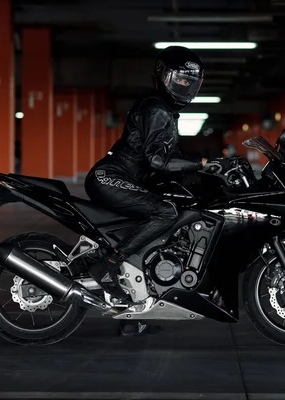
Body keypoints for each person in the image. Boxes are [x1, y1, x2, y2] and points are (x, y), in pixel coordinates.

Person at [84, 45, 231, 336]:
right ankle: (108, 264)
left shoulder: (164, 110)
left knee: (163, 228)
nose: (186, 87)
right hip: (110, 177)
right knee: (165, 212)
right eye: (181, 80)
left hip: (124, 179)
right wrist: (202, 164)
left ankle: (133, 314)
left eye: (191, 82)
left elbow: (167, 161)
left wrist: (203, 171)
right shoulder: (157, 108)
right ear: (164, 76)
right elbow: (157, 160)